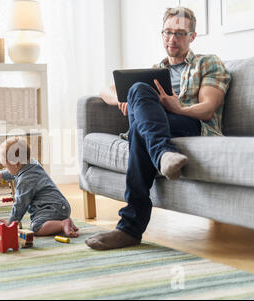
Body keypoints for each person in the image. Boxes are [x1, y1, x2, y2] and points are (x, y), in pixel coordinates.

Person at [86, 7, 231, 250]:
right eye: (168, 32)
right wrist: (125, 100)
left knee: (138, 129)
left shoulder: (207, 63)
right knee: (137, 92)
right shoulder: (155, 70)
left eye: (180, 33)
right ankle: (163, 153)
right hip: (158, 125)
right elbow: (104, 90)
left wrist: (178, 108)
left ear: (193, 36)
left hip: (190, 123)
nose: (172, 38)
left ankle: (130, 228)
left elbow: (207, 108)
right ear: (162, 34)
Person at [0, 137, 79, 237]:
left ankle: (62, 224)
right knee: (41, 218)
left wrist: (11, 222)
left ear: (16, 164)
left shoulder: (25, 181)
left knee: (36, 227)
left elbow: (20, 204)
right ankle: (63, 220)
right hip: (61, 206)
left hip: (50, 209)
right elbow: (16, 172)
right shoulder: (33, 164)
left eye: (6, 166)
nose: (6, 169)